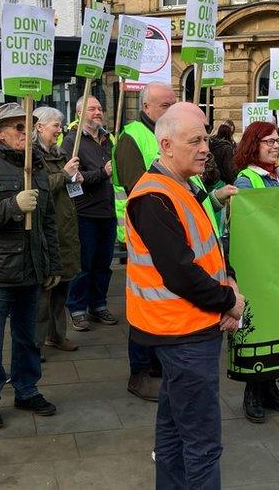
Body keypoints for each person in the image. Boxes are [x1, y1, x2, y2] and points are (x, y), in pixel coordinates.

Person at [125, 102, 245, 489]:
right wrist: (228, 301)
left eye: (206, 138)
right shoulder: (153, 196)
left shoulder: (184, 187)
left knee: (176, 428)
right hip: (181, 330)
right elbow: (180, 272)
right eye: (194, 140)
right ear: (166, 144)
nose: (205, 148)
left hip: (188, 326)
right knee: (202, 442)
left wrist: (229, 282)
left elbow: (206, 247)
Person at [0, 103, 62, 429]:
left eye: (29, 126)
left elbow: (48, 221)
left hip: (31, 270)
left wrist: (52, 265)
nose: (27, 132)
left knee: (28, 339)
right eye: (19, 127)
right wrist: (12, 206)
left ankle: (26, 390)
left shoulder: (36, 167)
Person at [233, 121, 279, 423]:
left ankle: (271, 385)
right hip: (256, 266)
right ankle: (253, 390)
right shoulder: (247, 179)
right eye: (268, 141)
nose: (275, 146)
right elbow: (254, 219)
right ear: (253, 145)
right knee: (257, 328)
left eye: (277, 141)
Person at [111, 83, 176, 401]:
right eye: (166, 104)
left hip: (169, 232)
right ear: (147, 106)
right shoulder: (132, 137)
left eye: (174, 103)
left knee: (162, 303)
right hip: (143, 234)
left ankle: (158, 366)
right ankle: (140, 372)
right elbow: (136, 188)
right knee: (143, 303)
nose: (171, 109)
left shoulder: (168, 133)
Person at [59, 96, 119, 331]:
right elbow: (73, 180)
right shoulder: (72, 142)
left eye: (100, 108)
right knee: (83, 264)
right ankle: (77, 308)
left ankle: (98, 304)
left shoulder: (106, 140)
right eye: (92, 109)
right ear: (79, 113)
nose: (98, 112)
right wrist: (101, 173)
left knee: (103, 264)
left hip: (107, 211)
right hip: (84, 213)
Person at [32, 106, 81, 356]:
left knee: (62, 288)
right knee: (43, 295)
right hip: (46, 232)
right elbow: (39, 189)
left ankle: (57, 335)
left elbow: (64, 186)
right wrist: (64, 175)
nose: (60, 130)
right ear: (40, 127)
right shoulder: (32, 158)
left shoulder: (59, 154)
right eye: (55, 126)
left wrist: (74, 178)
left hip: (65, 230)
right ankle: (36, 344)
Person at [207, 119, 238, 186]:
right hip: (223, 181)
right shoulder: (227, 148)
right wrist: (232, 182)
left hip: (212, 177)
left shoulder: (211, 144)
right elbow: (228, 167)